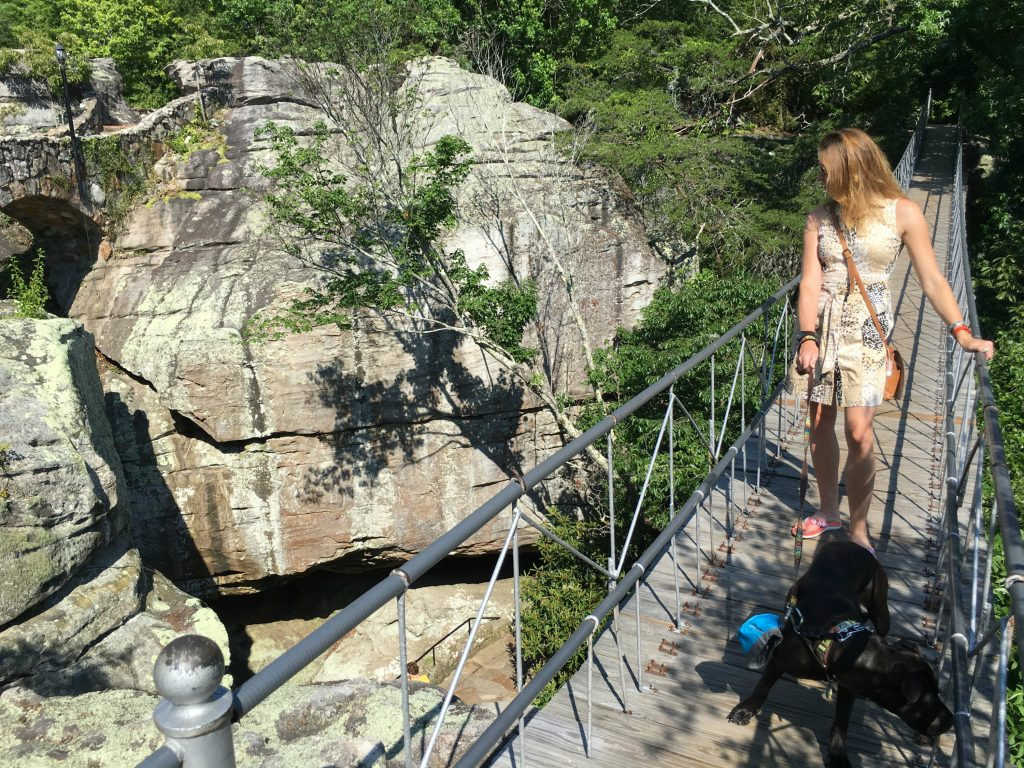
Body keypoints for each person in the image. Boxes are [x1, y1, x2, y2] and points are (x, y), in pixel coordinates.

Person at [790, 127, 995, 552]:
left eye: (826, 170)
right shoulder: (819, 218)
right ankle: (829, 513)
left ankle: (859, 530)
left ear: (850, 169)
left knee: (860, 432)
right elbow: (810, 283)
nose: (821, 178)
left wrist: (962, 332)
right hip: (824, 330)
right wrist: (806, 336)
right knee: (819, 423)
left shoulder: (903, 212)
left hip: (868, 332)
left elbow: (933, 280)